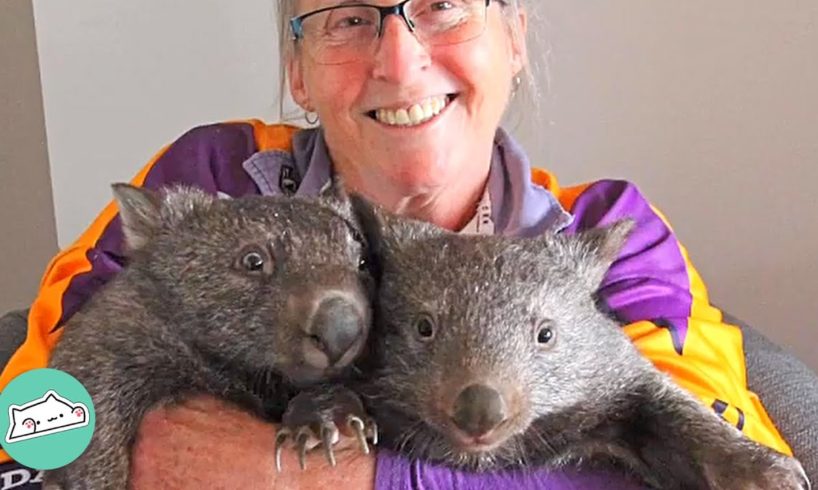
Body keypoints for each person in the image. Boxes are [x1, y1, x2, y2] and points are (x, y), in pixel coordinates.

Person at [0, 0, 796, 488]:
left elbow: (740, 467)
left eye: (443, 5)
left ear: (514, 39)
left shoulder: (601, 233)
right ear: (299, 72)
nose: (401, 60)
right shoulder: (210, 181)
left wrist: (344, 480)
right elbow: (29, 432)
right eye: (349, 19)